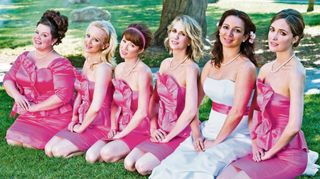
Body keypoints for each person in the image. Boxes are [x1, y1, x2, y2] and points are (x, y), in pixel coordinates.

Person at [150, 9, 257, 178]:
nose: (228, 33)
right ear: (219, 29)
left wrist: (217, 141)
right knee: (173, 165)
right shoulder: (211, 65)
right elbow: (194, 104)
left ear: (244, 37)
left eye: (236, 30)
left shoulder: (246, 67)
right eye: (226, 27)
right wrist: (197, 133)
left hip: (236, 132)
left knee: (203, 166)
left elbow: (237, 112)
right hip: (210, 127)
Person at [219, 9, 308, 179]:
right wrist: (255, 143)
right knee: (223, 176)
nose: (273, 37)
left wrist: (269, 153)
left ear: (295, 39)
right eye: (272, 30)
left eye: (282, 33)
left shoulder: (296, 73)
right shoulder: (266, 69)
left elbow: (294, 127)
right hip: (263, 144)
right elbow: (255, 111)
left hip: (287, 154)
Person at [124, 15, 203, 175]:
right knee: (129, 163)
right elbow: (155, 100)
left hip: (180, 131)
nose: (176, 36)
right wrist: (153, 127)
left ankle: (179, 153)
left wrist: (168, 138)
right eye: (174, 31)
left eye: (182, 33)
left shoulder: (191, 69)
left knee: (142, 167)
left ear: (189, 40)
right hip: (160, 126)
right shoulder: (165, 63)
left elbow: (190, 111)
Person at [44, 21, 117, 158]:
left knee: (59, 152)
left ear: (105, 45)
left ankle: (92, 145)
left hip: (100, 122)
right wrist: (74, 118)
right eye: (88, 36)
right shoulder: (88, 61)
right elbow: (80, 94)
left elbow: (96, 106)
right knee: (49, 149)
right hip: (84, 117)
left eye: (95, 40)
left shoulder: (103, 69)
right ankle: (80, 139)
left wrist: (81, 128)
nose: (88, 42)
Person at [3, 10, 74, 149]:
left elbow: (62, 96)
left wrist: (34, 108)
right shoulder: (24, 57)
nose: (38, 37)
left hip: (54, 115)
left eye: (44, 35)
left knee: (31, 143)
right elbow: (8, 79)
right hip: (29, 113)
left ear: (54, 40)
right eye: (37, 32)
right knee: (12, 139)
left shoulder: (61, 63)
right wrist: (17, 96)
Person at [85, 23, 153, 163]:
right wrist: (114, 127)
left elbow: (142, 112)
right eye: (123, 41)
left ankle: (134, 148)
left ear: (140, 50)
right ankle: (120, 147)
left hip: (139, 128)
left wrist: (123, 133)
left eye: (132, 45)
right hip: (120, 124)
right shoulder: (119, 69)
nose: (124, 47)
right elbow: (115, 103)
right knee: (91, 156)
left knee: (106, 154)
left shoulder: (143, 72)